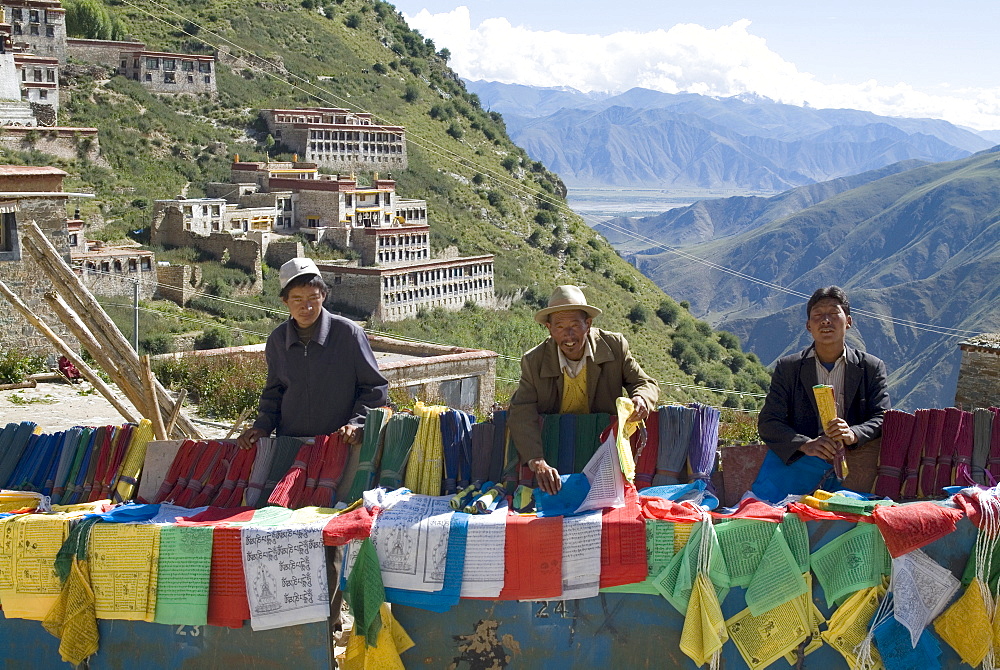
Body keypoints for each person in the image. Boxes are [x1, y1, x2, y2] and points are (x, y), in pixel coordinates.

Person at [509, 285, 659, 494]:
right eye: (560, 327)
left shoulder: (614, 346)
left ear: (588, 324)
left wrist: (641, 399)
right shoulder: (534, 361)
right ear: (549, 328)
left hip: (603, 445)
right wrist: (537, 461)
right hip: (557, 445)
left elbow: (644, 383)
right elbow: (521, 411)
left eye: (575, 325)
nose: (568, 335)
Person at [237, 257, 388, 450]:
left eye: (313, 298)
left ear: (324, 296)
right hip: (291, 445)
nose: (306, 307)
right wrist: (262, 427)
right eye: (297, 299)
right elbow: (274, 393)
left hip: (340, 445)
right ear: (285, 301)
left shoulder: (348, 334)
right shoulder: (278, 340)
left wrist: (358, 423)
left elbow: (374, 387)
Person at [758, 286, 890, 466]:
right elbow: (769, 422)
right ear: (808, 325)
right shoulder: (789, 369)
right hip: (804, 465)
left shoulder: (870, 367)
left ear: (848, 322)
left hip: (857, 464)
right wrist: (805, 444)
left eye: (834, 313)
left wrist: (853, 434)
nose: (826, 321)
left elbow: (883, 417)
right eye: (817, 315)